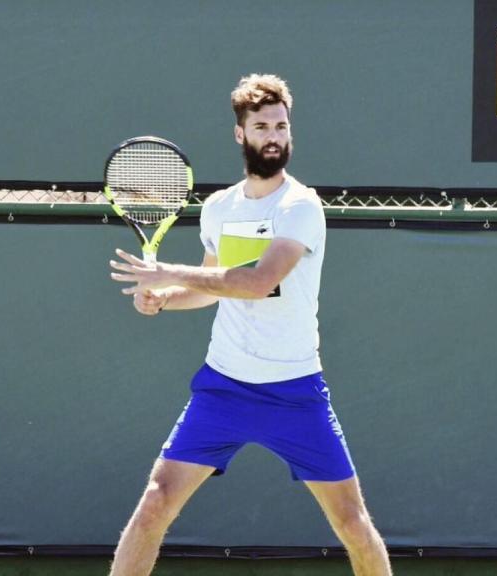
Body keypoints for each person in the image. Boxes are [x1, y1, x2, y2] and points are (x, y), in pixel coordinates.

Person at [108, 73, 393, 576]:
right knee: (156, 501)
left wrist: (168, 270)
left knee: (351, 520)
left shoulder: (301, 206)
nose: (274, 136)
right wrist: (162, 300)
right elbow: (210, 286)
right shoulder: (219, 207)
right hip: (223, 388)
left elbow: (259, 282)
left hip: (295, 391)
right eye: (262, 126)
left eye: (282, 126)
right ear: (241, 135)